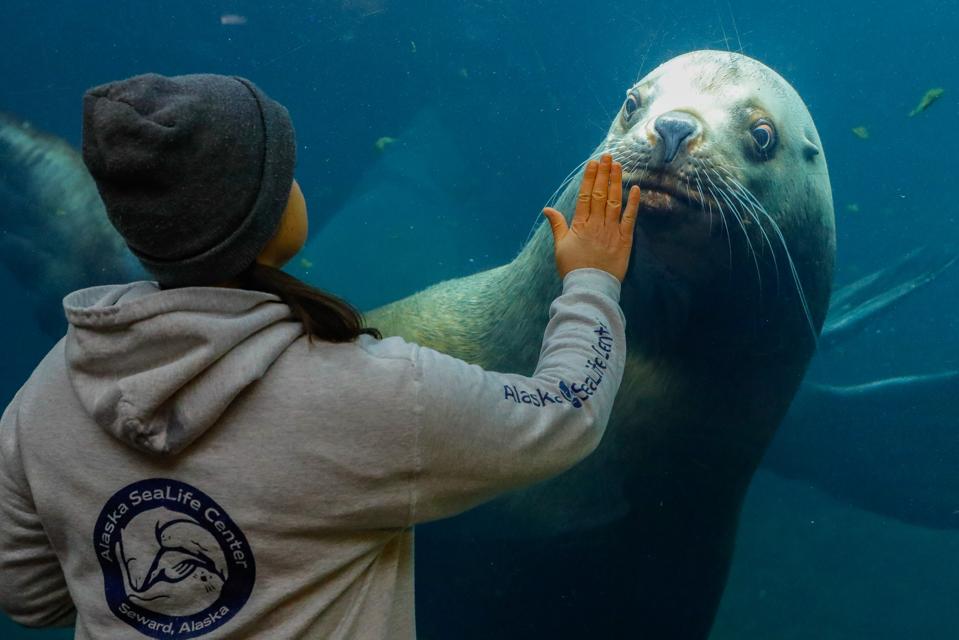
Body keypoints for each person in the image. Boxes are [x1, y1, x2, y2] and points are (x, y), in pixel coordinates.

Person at [0, 73, 640, 639]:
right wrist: (591, 281)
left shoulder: (45, 396)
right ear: (266, 213)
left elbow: (27, 593)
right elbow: (567, 416)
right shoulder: (376, 395)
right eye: (285, 173)